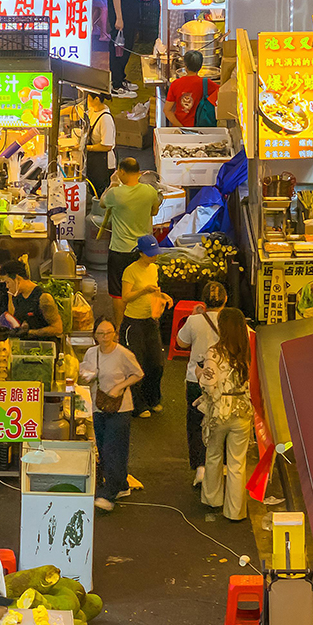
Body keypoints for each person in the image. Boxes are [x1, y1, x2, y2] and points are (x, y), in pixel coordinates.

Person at [79, 316, 144, 511]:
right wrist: (87, 375)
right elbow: (84, 372)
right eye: (100, 333)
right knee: (106, 447)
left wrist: (119, 387)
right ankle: (121, 485)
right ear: (95, 336)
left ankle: (108, 494)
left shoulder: (123, 354)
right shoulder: (91, 353)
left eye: (109, 333)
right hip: (99, 406)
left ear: (115, 333)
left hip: (120, 408)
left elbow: (138, 373)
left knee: (112, 448)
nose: (105, 337)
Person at [197, 307, 253, 521]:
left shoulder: (215, 352)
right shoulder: (245, 350)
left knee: (213, 455)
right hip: (242, 409)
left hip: (220, 411)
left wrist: (199, 372)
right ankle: (235, 510)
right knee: (237, 462)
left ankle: (213, 499)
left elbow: (208, 383)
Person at [176, 281, 227, 487]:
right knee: (222, 421)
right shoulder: (230, 322)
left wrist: (195, 316)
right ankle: (222, 466)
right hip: (223, 380)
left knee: (197, 422)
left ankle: (200, 468)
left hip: (196, 379)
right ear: (225, 300)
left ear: (203, 302)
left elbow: (181, 343)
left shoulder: (194, 320)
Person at [101, 158, 162, 329]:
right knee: (141, 288)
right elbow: (155, 209)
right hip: (142, 251)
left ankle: (120, 328)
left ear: (121, 172)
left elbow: (101, 203)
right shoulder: (149, 192)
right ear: (139, 173)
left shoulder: (115, 194)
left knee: (119, 294)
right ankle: (140, 326)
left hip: (120, 251)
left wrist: (113, 184)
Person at [120, 235, 172, 418]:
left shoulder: (154, 269)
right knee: (136, 364)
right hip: (133, 322)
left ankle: (153, 399)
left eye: (155, 253)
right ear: (140, 253)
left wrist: (163, 297)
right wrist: (143, 290)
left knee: (156, 363)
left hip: (150, 320)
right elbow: (125, 297)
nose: (153, 257)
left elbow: (154, 290)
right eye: (150, 254)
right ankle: (137, 405)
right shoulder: (130, 271)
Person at [1, 260, 63, 339]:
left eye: (8, 282)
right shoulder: (18, 296)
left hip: (44, 346)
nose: (7, 286)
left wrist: (30, 332)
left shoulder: (44, 298)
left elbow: (58, 329)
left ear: (17, 279)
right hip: (25, 346)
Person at [165, 50, 219, 128]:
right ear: (200, 67)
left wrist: (181, 127)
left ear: (185, 66)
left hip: (180, 131)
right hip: (200, 129)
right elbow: (222, 92)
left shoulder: (175, 84)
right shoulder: (206, 83)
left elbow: (167, 110)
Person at [85, 92, 116, 195]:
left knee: (101, 193)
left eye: (89, 99)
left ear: (97, 99)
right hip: (95, 160)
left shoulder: (105, 119)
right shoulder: (93, 111)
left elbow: (107, 146)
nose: (87, 101)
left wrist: (87, 148)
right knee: (94, 189)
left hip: (104, 163)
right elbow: (76, 111)